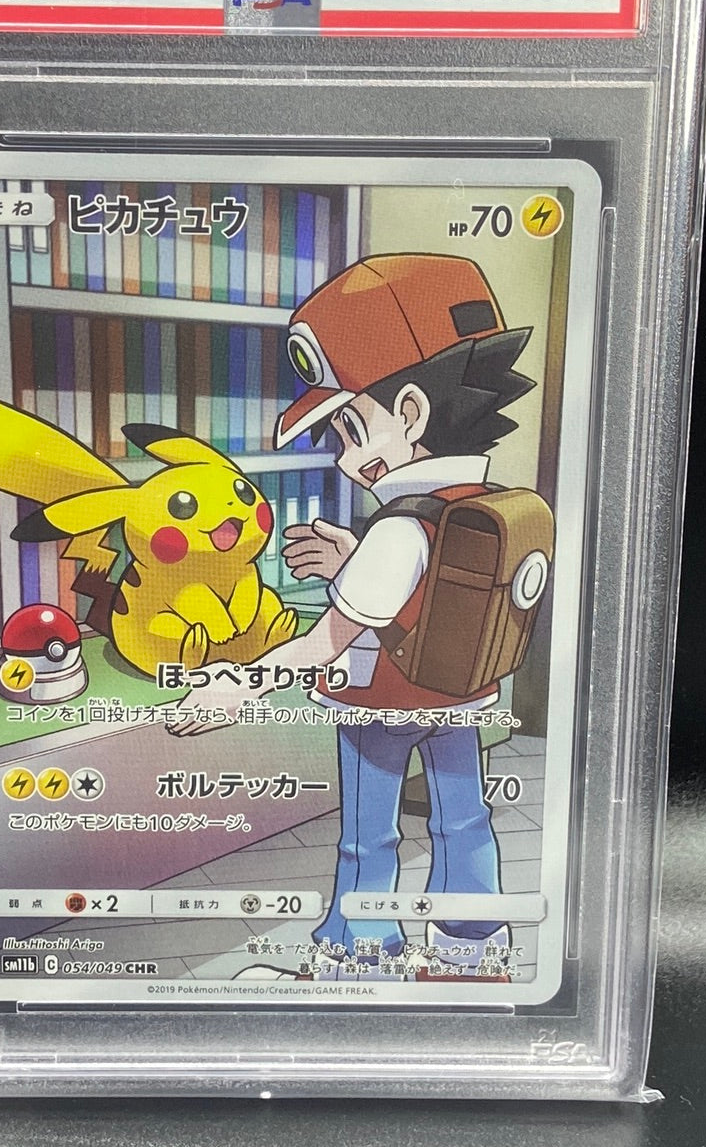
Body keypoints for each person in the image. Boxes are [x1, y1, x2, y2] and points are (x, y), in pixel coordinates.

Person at [172, 253, 536, 981]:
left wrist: (238, 683)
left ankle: (360, 961)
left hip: (380, 705)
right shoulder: (481, 501)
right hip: (459, 697)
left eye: (350, 429)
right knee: (464, 820)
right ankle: (470, 955)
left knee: (369, 839)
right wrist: (351, 562)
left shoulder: (397, 529)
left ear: (411, 413)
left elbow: (325, 642)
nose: (344, 460)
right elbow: (429, 595)